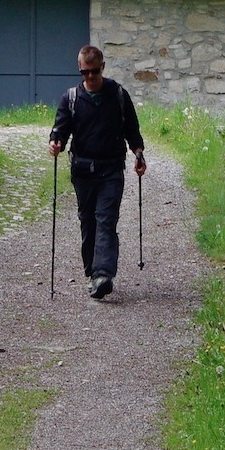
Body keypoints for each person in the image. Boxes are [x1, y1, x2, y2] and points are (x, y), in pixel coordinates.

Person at [48, 44, 146, 300]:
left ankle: (103, 274)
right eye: (84, 72)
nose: (89, 77)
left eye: (93, 71)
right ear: (80, 71)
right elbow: (60, 129)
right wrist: (55, 142)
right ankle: (93, 272)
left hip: (111, 169)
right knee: (88, 222)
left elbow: (132, 130)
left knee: (106, 220)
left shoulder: (118, 95)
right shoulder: (70, 98)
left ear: (102, 67)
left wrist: (138, 153)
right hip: (82, 171)